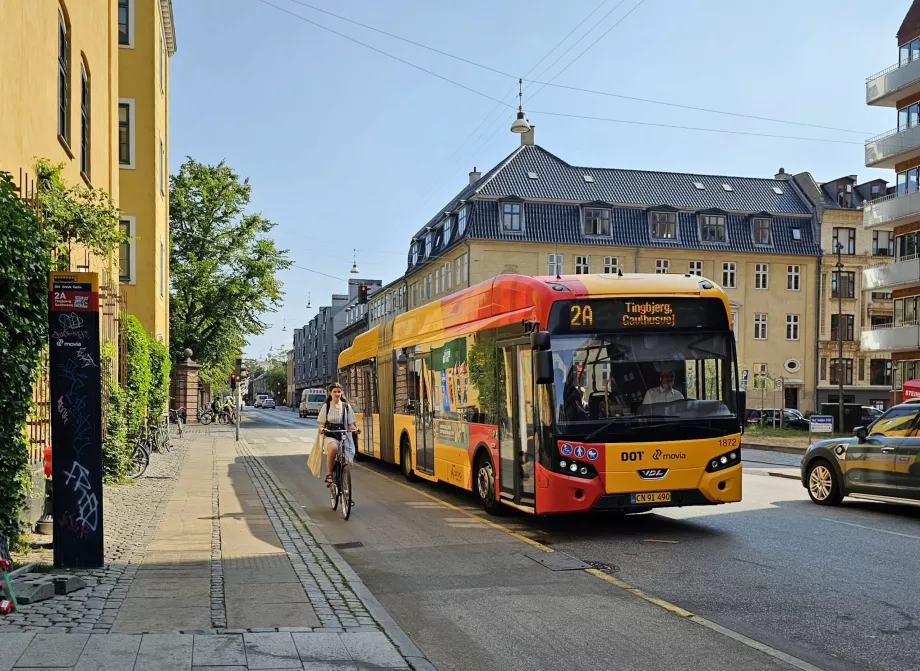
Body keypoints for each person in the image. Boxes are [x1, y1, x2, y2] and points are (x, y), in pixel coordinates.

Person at [317, 382, 358, 485]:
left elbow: (350, 425)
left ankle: (345, 486)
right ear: (330, 393)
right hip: (330, 434)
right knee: (334, 448)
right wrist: (322, 429)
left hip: (343, 435)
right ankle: (329, 473)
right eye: (334, 391)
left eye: (339, 391)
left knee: (346, 461)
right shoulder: (326, 407)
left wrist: (356, 429)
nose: (337, 394)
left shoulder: (346, 407)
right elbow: (322, 425)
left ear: (341, 393)